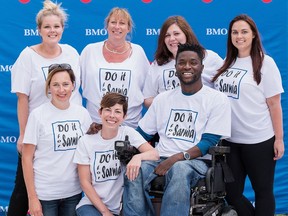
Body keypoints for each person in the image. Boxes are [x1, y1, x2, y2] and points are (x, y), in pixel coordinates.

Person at [123, 43, 231, 216]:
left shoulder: (217, 100)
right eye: (182, 62)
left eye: (193, 62)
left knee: (180, 169)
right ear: (175, 67)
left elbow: (208, 142)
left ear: (201, 67)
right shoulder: (163, 99)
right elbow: (141, 134)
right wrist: (134, 153)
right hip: (160, 158)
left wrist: (176, 159)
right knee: (135, 170)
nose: (187, 66)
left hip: (197, 162)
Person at [9, 1, 82, 216]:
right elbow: (23, 99)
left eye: (56, 26)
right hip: (39, 134)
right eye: (47, 27)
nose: (52, 31)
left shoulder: (71, 53)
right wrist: (23, 134)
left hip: (69, 132)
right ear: (39, 30)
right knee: (23, 191)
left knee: (71, 187)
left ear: (62, 29)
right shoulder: (27, 57)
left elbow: (76, 92)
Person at [212, 14, 284, 216]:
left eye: (244, 31)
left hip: (259, 140)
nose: (239, 36)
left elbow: (274, 104)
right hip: (230, 141)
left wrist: (279, 139)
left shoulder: (265, 63)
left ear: (253, 35)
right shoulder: (227, 62)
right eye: (235, 32)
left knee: (263, 191)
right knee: (231, 193)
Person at [22, 64, 92, 216]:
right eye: (56, 85)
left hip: (73, 193)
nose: (61, 90)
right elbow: (26, 158)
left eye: (66, 84)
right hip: (45, 195)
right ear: (49, 88)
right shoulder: (37, 115)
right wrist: (32, 198)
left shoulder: (82, 114)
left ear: (73, 85)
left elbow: (89, 151)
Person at [73, 92, 159, 216]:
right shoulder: (86, 141)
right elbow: (85, 182)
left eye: (118, 111)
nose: (112, 115)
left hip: (120, 206)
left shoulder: (127, 133)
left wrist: (137, 157)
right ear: (100, 112)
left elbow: (154, 154)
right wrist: (105, 212)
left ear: (124, 116)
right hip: (92, 205)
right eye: (108, 110)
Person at [80, 7, 150, 129]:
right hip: (95, 124)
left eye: (122, 23)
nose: (117, 27)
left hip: (129, 125)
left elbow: (148, 87)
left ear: (128, 28)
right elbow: (75, 82)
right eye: (113, 22)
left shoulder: (138, 52)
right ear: (107, 26)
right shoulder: (90, 51)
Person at [143, 15, 223, 108]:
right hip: (169, 120)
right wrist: (172, 103)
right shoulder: (158, 64)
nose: (172, 39)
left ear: (186, 34)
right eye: (167, 35)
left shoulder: (209, 57)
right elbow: (148, 99)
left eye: (176, 33)